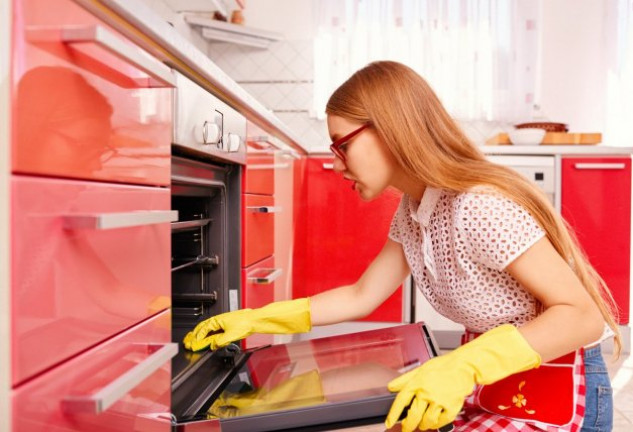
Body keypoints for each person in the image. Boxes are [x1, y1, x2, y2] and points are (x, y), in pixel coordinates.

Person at [184, 61, 619, 432]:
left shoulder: (478, 206)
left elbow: (582, 316)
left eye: (343, 145)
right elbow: (362, 295)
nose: (336, 164)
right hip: (496, 378)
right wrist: (258, 318)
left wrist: (464, 365)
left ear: (391, 129)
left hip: (553, 385)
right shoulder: (415, 210)